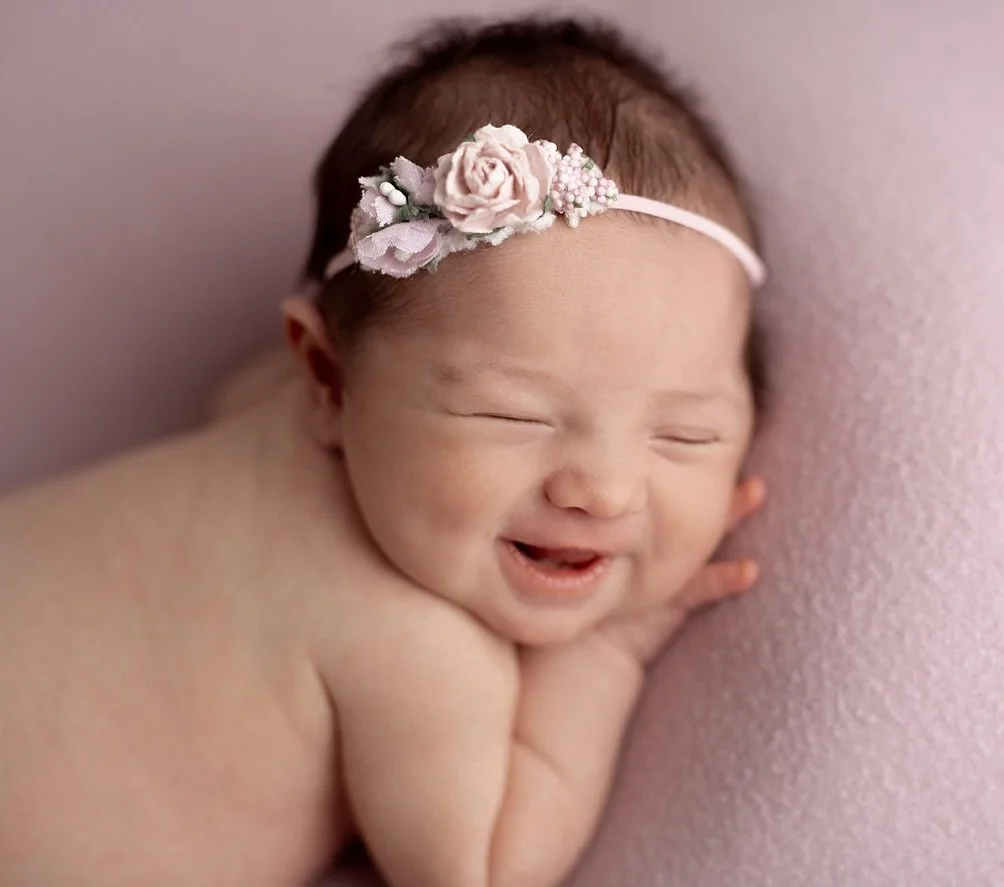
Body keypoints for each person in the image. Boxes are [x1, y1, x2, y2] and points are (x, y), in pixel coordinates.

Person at [0, 16, 769, 887]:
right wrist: (602, 655)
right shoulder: (416, 642)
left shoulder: (272, 405)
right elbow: (483, 868)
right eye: (511, 416)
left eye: (685, 435)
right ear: (328, 376)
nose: (605, 487)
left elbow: (241, 395)